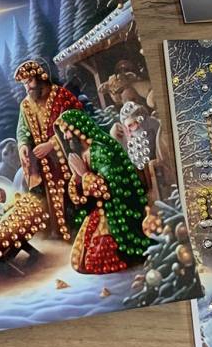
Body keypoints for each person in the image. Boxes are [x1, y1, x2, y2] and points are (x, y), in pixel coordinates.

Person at [54, 108, 150, 275]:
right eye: (64, 134)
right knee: (79, 260)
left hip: (117, 212)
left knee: (93, 260)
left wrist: (84, 174)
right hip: (100, 210)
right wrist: (78, 179)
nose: (67, 137)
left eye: (67, 131)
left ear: (79, 129)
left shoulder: (101, 150)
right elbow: (79, 199)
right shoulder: (83, 153)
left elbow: (107, 190)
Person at [15, 58, 80, 240]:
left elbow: (76, 120)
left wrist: (52, 144)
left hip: (67, 156)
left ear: (40, 77)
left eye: (29, 81)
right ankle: (57, 232)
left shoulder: (62, 95)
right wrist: (23, 146)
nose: (27, 87)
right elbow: (22, 130)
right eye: (24, 84)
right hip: (43, 163)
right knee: (50, 196)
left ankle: (76, 231)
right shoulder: (25, 105)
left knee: (72, 192)